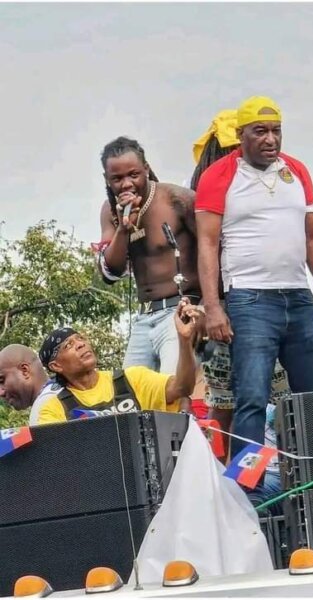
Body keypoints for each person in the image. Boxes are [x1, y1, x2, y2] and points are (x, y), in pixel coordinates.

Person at [196, 96, 313, 476]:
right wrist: (213, 307)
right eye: (260, 131)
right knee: (253, 398)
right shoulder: (220, 176)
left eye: (276, 131)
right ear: (240, 135)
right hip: (250, 299)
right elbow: (206, 244)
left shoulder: (297, 171)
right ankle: (248, 487)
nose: (270, 139)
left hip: (298, 296)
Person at [190, 109, 292, 460]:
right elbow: (203, 254)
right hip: (228, 310)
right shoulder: (207, 190)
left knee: (267, 399)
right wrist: (211, 307)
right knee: (232, 402)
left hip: (261, 304)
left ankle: (274, 471)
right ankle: (234, 479)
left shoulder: (271, 185)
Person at [98, 137, 201, 384]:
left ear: (146, 168)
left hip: (181, 310)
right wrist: (124, 229)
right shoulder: (110, 211)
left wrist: (211, 308)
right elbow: (109, 272)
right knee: (129, 399)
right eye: (117, 179)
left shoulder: (177, 199)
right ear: (107, 179)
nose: (126, 184)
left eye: (133, 174)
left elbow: (214, 251)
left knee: (173, 392)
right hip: (144, 319)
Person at [34, 298, 202, 424]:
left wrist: (185, 341)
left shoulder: (132, 379)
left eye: (80, 338)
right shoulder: (54, 410)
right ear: (56, 366)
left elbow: (182, 387)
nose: (80, 344)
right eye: (68, 345)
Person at [0, 344, 62, 425]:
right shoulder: (64, 392)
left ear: (25, 371)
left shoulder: (44, 408)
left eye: (2, 381)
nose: (1, 393)